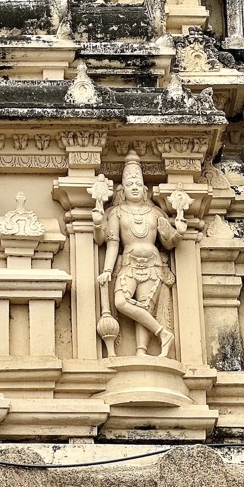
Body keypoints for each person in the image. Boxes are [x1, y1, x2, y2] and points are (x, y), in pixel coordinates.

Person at [93, 152, 183, 358]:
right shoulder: (117, 212)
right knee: (120, 302)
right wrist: (107, 270)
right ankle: (163, 333)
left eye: (138, 182)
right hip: (128, 264)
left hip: (153, 266)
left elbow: (168, 242)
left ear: (144, 188)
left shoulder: (155, 213)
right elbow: (111, 242)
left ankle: (142, 351)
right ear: (122, 188)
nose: (134, 186)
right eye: (129, 182)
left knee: (145, 306)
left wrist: (178, 231)